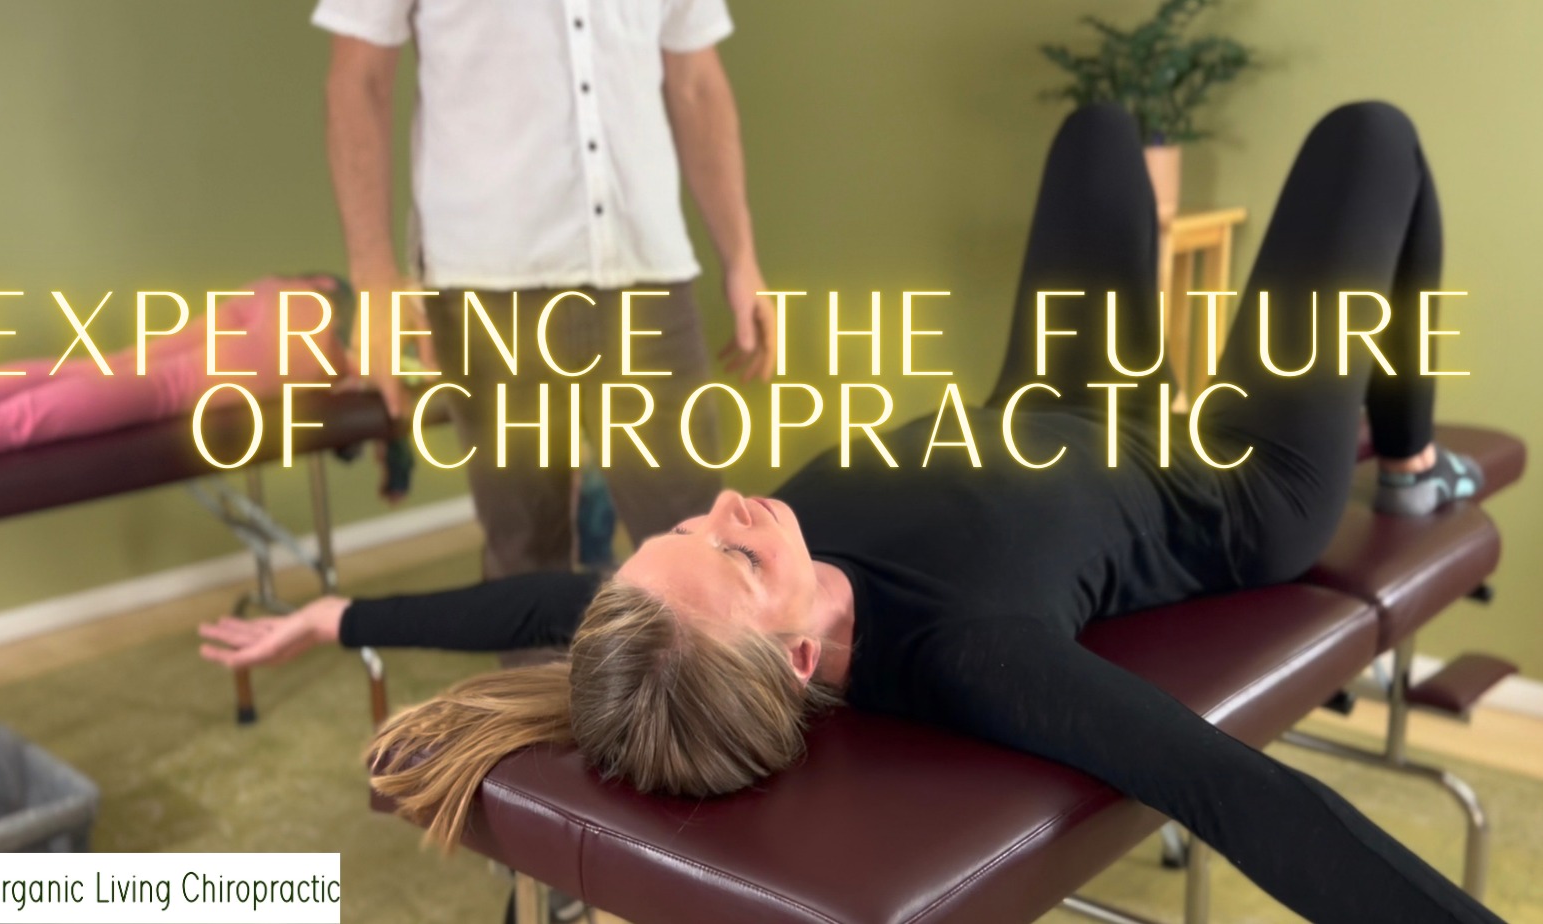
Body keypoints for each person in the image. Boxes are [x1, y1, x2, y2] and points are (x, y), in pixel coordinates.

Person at [201, 103, 1500, 923]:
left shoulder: (698, 613)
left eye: (679, 534)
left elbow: (543, 598)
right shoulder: (969, 657)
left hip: (1058, 397)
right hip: (1228, 487)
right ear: (795, 658)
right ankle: (1409, 457)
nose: (726, 508)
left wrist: (337, 614)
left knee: (1099, 135)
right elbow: (1230, 792)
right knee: (1370, 140)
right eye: (732, 555)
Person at [314, 0, 778, 582]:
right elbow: (358, 79)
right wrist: (374, 276)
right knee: (526, 561)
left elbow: (696, 82)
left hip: (646, 270)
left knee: (702, 553)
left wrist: (741, 259)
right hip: (487, 283)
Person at [0, 275, 419, 485]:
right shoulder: (420, 326)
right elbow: (402, 389)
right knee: (166, 389)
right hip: (321, 328)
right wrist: (398, 461)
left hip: (285, 290)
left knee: (109, 366)